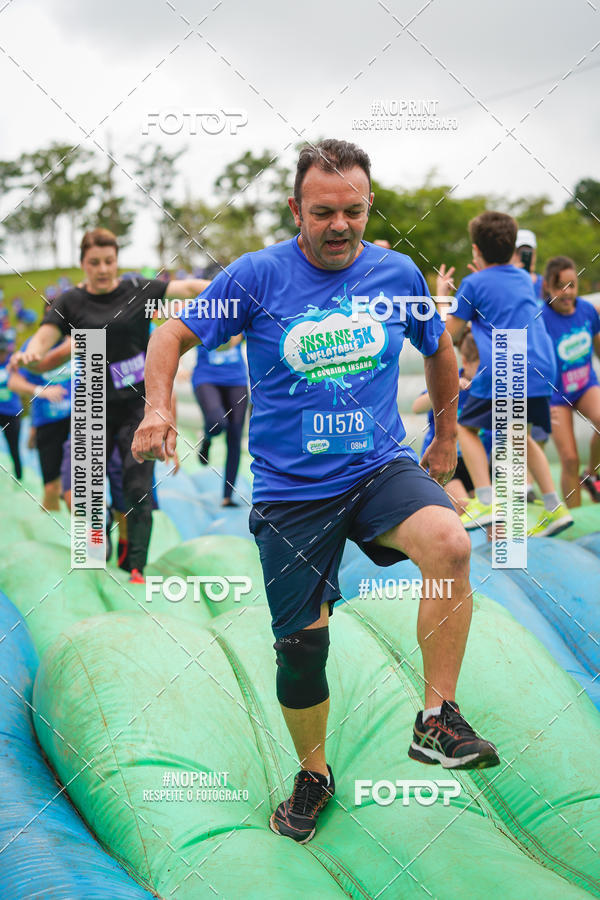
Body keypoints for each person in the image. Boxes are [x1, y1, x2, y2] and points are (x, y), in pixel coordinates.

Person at [132, 139, 500, 844]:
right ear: (296, 209)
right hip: (293, 494)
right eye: (324, 212)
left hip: (378, 469)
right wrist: (155, 408)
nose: (340, 226)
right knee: (302, 650)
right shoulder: (256, 276)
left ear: (369, 208)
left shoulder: (396, 272)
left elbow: (441, 348)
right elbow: (170, 335)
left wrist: (447, 439)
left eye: (354, 211)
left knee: (451, 543)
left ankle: (436, 718)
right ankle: (313, 772)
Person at [10, 227, 209, 582]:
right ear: (82, 263)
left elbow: (192, 288)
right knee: (81, 492)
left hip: (137, 407)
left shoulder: (138, 290)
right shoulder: (70, 302)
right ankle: (98, 540)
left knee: (135, 487)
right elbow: (45, 336)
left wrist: (238, 294)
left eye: (109, 261)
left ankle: (134, 564)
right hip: (92, 404)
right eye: (94, 263)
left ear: (116, 260)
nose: (102, 269)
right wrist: (32, 353)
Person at [442, 212, 573, 537]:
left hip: (508, 366)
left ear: (475, 249)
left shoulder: (474, 283)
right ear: (513, 247)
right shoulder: (522, 277)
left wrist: (445, 295)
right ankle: (555, 507)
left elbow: (448, 335)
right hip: (542, 366)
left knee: (465, 427)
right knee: (520, 436)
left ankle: (486, 501)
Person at [541, 256, 600, 505]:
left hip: (585, 384)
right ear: (548, 287)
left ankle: (591, 474)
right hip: (555, 395)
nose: (567, 293)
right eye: (560, 287)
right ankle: (574, 518)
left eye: (572, 285)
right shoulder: (539, 317)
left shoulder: (587, 310)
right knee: (568, 458)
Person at [412, 331, 491, 514]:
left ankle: (491, 542)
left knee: (494, 513)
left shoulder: (489, 390)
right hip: (446, 460)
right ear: (465, 363)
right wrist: (449, 389)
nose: (485, 374)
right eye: (481, 369)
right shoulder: (450, 380)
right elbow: (417, 406)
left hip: (476, 463)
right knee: (462, 505)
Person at [9, 336, 71, 509]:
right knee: (51, 488)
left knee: (82, 486)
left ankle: (96, 529)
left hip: (78, 421)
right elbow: (13, 381)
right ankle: (53, 531)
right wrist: (39, 390)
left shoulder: (80, 339)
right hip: (48, 422)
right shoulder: (34, 345)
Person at [192, 334, 248, 506]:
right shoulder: (202, 310)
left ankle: (227, 496)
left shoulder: (240, 310)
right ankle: (207, 441)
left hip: (236, 378)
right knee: (218, 421)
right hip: (207, 377)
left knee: (235, 436)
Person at [0, 331, 23, 481]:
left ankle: (19, 478)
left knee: (14, 449)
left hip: (12, 413)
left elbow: (23, 383)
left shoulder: (13, 362)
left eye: (3, 351)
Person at [512, 228, 544, 302]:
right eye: (521, 252)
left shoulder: (545, 284)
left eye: (529, 252)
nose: (526, 257)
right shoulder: (505, 282)